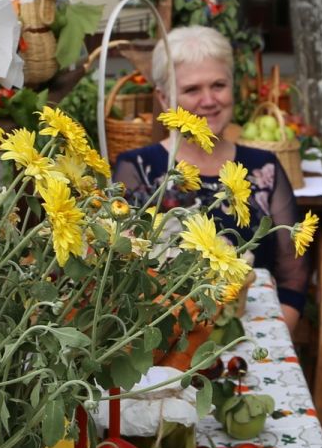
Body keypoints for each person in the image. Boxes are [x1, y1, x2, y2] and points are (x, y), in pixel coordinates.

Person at [113, 25, 307, 329]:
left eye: (218, 85)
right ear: (164, 99)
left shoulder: (264, 168)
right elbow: (120, 276)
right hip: (163, 344)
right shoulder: (137, 170)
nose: (208, 100)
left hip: (253, 333)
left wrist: (275, 339)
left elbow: (293, 274)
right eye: (192, 89)